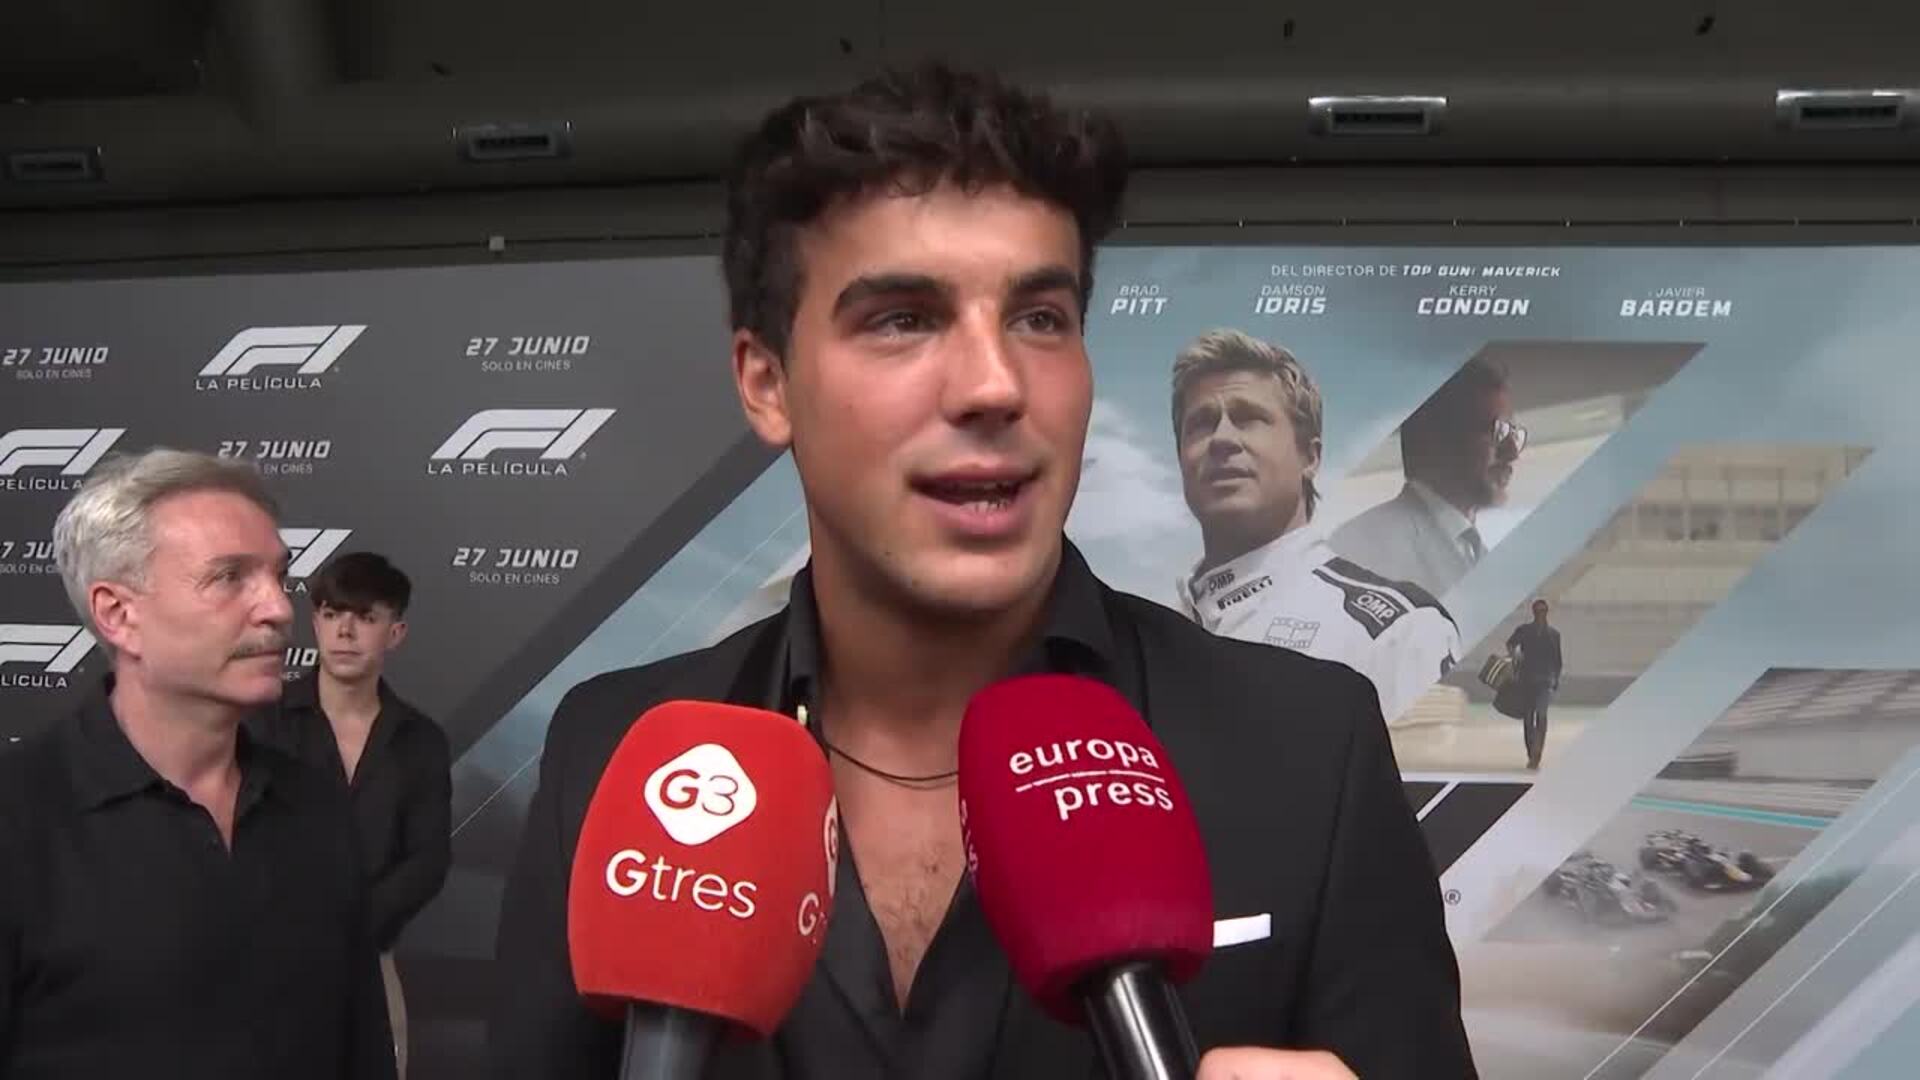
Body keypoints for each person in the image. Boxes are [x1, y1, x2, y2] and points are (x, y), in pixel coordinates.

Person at [490, 64, 1474, 1080]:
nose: (996, 385)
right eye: (903, 318)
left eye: (1040, 317)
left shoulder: (1310, 749)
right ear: (768, 383)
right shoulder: (611, 756)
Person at [0, 448, 395, 1079]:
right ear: (118, 615)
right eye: (230, 577)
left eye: (278, 576)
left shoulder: (316, 809)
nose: (278, 609)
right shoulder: (19, 820)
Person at [1170, 329, 1462, 725]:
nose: (1222, 438)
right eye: (1201, 424)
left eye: (1248, 418)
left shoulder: (1399, 632)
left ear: (1310, 456)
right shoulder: (1139, 641)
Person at [249, 551, 451, 1078]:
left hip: (368, 961)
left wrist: (352, 928)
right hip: (261, 956)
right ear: (315, 622)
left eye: (365, 617)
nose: (345, 631)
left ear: (395, 632)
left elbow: (428, 859)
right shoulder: (260, 724)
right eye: (333, 614)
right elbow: (232, 833)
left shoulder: (420, 740)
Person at [1330, 356, 1525, 599]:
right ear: (1437, 441)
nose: (1513, 453)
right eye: (1497, 432)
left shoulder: (1479, 554)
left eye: (1513, 435)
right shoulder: (1358, 547)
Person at [1505, 598, 1564, 770]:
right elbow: (1510, 644)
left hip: (1545, 681)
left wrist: (1556, 679)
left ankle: (1537, 752)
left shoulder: (1554, 635)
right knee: (1528, 719)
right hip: (1526, 680)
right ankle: (1531, 752)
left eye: (1543, 611)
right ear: (1533, 612)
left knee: (1542, 715)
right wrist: (1515, 655)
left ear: (1547, 612)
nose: (1541, 614)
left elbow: (1558, 660)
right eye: (1538, 611)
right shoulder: (1524, 631)